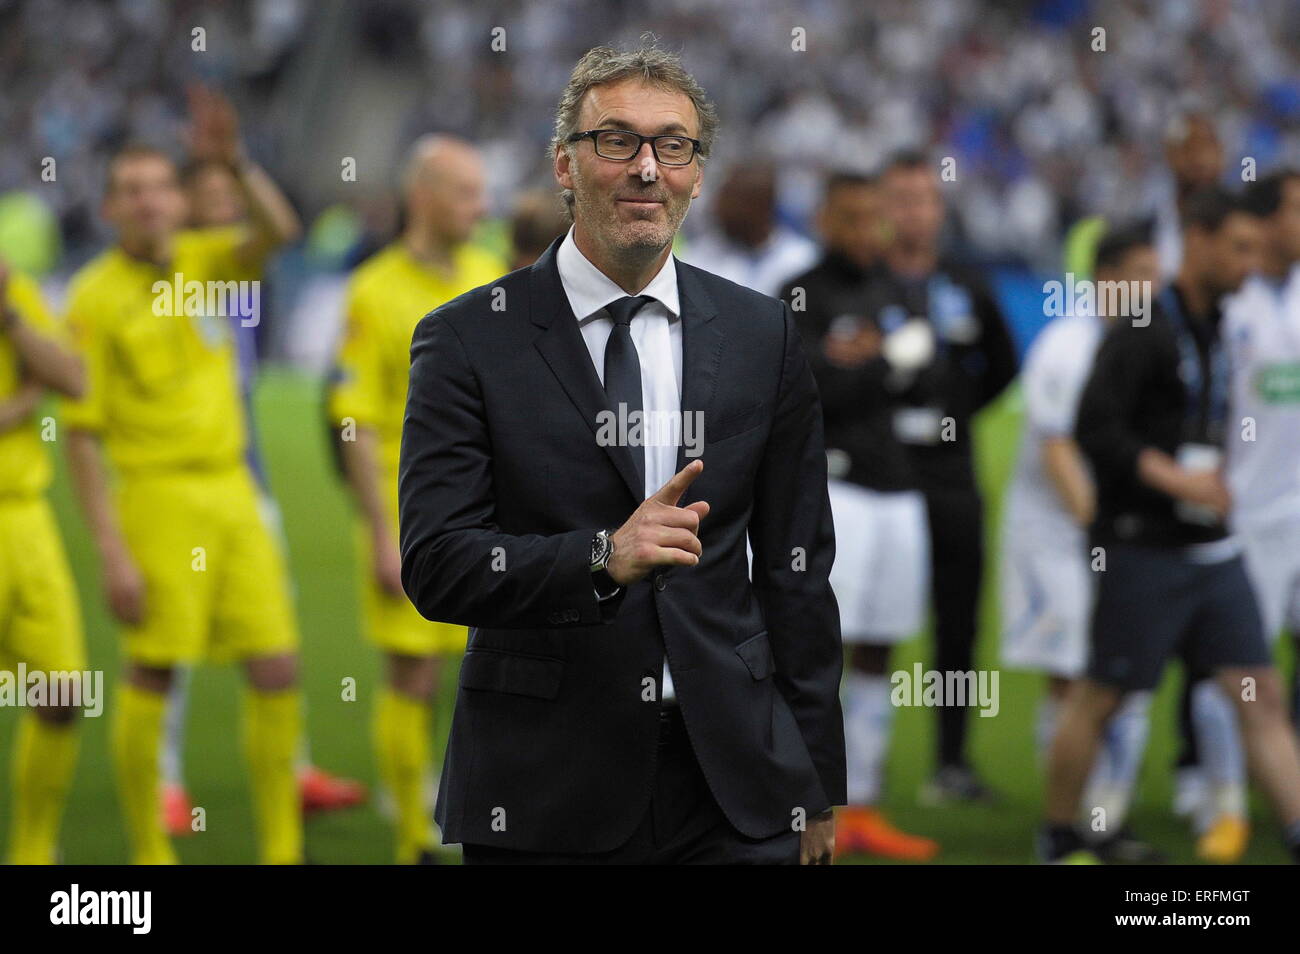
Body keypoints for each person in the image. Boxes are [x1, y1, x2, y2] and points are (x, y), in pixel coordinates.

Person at [399, 44, 845, 864]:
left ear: (696, 172)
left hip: (736, 785)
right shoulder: (467, 338)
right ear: (565, 164)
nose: (647, 168)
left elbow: (797, 572)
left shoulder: (762, 335)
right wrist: (602, 558)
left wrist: (815, 776)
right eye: (617, 141)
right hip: (544, 783)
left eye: (672, 145)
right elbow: (436, 562)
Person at [61, 92, 305, 864]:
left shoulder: (207, 261)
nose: (149, 202)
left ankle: (280, 848)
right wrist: (110, 551)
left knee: (277, 665)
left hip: (233, 491)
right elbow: (81, 436)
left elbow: (281, 231)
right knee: (155, 670)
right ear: (109, 209)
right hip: (157, 498)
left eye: (160, 187)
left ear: (177, 198)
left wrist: (232, 161)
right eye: (131, 191)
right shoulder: (94, 297)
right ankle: (149, 853)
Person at [1041, 187, 1300, 864]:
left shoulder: (1223, 327)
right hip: (1144, 547)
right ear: (1202, 242)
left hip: (1215, 549)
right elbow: (1094, 431)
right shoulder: (1144, 329)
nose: (1248, 264)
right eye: (1238, 249)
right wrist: (1174, 477)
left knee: (1260, 690)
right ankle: (1061, 834)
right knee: (1104, 694)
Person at [153, 147, 365, 837]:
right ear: (183, 204)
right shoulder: (169, 266)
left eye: (230, 196)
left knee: (276, 626)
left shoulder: (238, 264)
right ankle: (164, 781)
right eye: (209, 195)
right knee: (170, 640)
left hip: (249, 473)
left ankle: (290, 767)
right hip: (176, 477)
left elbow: (280, 229)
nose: (225, 206)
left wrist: (238, 162)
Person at [328, 134, 505, 864]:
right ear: (424, 196)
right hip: (416, 516)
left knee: (488, 670)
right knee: (412, 672)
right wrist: (379, 531)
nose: (481, 206)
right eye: (466, 192)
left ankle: (474, 811)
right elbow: (355, 420)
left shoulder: (488, 274)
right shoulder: (372, 290)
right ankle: (412, 839)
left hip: (490, 514)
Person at [780, 171, 938, 860]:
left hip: (899, 489)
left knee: (883, 644)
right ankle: (810, 802)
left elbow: (932, 370)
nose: (863, 231)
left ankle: (864, 801)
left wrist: (865, 364)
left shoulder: (895, 286)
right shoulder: (801, 290)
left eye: (871, 218)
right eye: (849, 218)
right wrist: (880, 364)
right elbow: (812, 386)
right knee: (823, 650)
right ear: (824, 218)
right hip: (836, 488)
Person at [999, 222, 1163, 862]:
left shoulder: (1144, 344)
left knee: (1124, 676)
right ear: (1107, 278)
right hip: (1054, 540)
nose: (1155, 287)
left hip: (1112, 537)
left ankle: (1104, 821)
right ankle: (1067, 827)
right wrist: (1107, 532)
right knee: (1074, 678)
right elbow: (1057, 448)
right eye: (1143, 274)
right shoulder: (1068, 346)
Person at [869, 151, 1018, 803]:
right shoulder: (860, 282)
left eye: (925, 199)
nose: (915, 211)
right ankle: (853, 771)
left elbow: (1005, 366)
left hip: (951, 478)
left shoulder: (967, 281)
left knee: (956, 622)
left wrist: (955, 413)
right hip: (876, 478)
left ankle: (950, 763)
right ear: (881, 208)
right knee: (863, 624)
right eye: (900, 198)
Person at [0, 262, 87, 864]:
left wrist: (8, 316)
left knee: (61, 690)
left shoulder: (15, 291)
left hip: (23, 516)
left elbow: (72, 377)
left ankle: (32, 851)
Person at [681, 162, 817, 296]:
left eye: (735, 203)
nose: (719, 210)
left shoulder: (801, 259)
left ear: (763, 206)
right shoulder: (698, 257)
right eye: (722, 199)